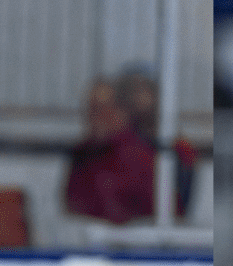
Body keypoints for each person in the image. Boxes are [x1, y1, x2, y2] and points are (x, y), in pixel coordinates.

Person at [64, 67, 196, 224]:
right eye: (89, 108)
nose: (93, 117)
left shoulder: (142, 156)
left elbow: (167, 213)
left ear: (122, 110)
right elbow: (71, 205)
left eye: (101, 109)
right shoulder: (82, 153)